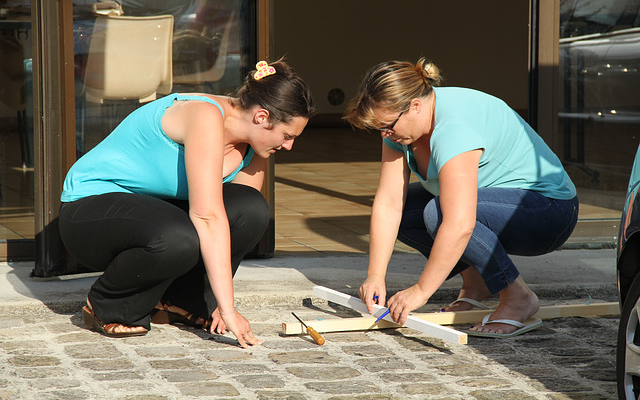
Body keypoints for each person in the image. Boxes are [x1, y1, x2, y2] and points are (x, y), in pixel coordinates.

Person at [59, 60, 315, 347]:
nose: (289, 145)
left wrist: (219, 302)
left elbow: (231, 221)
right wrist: (229, 308)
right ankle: (108, 303)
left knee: (251, 210)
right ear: (261, 117)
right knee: (177, 237)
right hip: (91, 211)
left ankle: (184, 302)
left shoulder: (256, 148)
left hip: (156, 217)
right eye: (287, 135)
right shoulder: (204, 115)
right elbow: (207, 217)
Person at [343, 59, 578, 338]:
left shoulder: (453, 128)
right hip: (501, 206)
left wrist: (421, 291)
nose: (385, 134)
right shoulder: (399, 127)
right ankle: (477, 283)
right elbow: (390, 202)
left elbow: (460, 223)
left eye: (388, 126)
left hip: (549, 211)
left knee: (438, 212)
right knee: (409, 212)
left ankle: (518, 298)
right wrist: (375, 276)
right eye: (380, 128)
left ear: (414, 106)